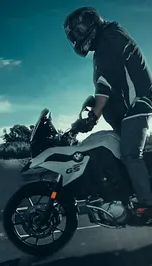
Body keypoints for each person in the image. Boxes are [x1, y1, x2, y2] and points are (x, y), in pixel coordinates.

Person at [63, 6, 152, 223]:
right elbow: (106, 87)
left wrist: (93, 116)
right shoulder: (106, 43)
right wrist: (91, 115)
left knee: (130, 154)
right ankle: (127, 196)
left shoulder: (110, 38)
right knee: (115, 153)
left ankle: (147, 206)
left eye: (75, 33)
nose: (74, 38)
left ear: (85, 25)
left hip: (138, 103)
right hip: (127, 110)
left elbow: (105, 87)